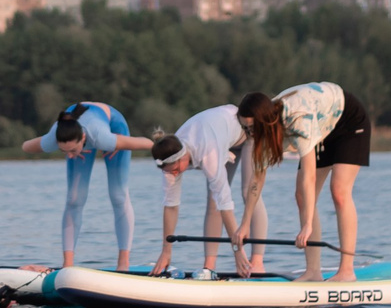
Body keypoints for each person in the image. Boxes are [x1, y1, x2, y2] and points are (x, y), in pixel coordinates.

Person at [236, 82, 369, 283]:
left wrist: (307, 225)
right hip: (323, 128)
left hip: (347, 121)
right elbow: (257, 180)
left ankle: (347, 271)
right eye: (245, 129)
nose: (249, 134)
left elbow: (309, 175)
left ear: (264, 122)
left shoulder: (299, 119)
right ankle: (313, 272)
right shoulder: (262, 134)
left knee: (339, 192)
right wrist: (245, 223)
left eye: (252, 128)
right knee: (301, 197)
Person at [21, 101, 157, 270]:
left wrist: (119, 144)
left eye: (72, 150)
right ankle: (67, 265)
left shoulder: (103, 138)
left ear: (83, 139)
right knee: (74, 199)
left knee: (118, 195)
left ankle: (123, 263)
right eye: (64, 151)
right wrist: (57, 146)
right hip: (78, 130)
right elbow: (25, 147)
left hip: (112, 126)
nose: (69, 156)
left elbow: (148, 143)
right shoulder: (55, 137)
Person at [149, 103, 253, 277]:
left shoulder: (208, 155)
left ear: (182, 157)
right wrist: (166, 251)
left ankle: (255, 263)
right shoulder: (169, 161)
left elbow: (226, 204)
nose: (173, 174)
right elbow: (171, 207)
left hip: (246, 132)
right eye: (170, 172)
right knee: (213, 202)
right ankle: (209, 268)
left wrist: (237, 252)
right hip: (220, 136)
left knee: (249, 194)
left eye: (175, 169)